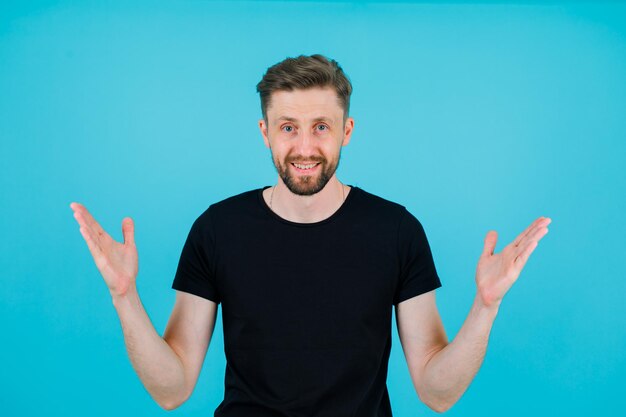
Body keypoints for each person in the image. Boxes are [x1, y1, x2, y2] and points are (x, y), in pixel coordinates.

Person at [70, 54, 551, 416]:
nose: (305, 147)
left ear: (347, 130)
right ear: (265, 132)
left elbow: (435, 391)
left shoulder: (396, 230)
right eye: (288, 127)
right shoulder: (217, 229)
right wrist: (124, 296)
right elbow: (171, 388)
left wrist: (486, 307)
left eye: (321, 126)